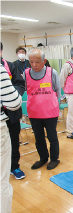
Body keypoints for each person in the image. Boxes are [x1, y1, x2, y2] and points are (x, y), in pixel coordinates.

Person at [25, 49, 61, 170]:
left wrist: (56, 105)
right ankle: (43, 158)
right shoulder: (25, 74)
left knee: (52, 137)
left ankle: (54, 159)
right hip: (34, 113)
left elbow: (58, 90)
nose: (34, 65)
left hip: (50, 112)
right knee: (39, 138)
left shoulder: (52, 72)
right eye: (31, 62)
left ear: (44, 61)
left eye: (37, 62)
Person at [0, 63, 25, 213]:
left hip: (12, 120)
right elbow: (15, 101)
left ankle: (15, 167)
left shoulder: (12, 68)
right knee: (2, 180)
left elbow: (19, 85)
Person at [0, 41, 26, 180]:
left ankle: (14, 166)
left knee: (14, 140)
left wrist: (10, 96)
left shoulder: (10, 66)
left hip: (11, 111)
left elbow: (20, 84)